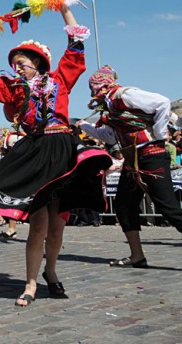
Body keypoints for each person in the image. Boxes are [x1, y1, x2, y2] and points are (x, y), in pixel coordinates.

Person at [0, 5, 112, 307]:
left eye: (21, 63)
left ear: (37, 62)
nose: (16, 68)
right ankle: (30, 283)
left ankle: (51, 272)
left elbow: (76, 48)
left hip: (62, 150)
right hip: (36, 153)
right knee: (38, 223)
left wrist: (64, 10)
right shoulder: (14, 90)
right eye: (14, 64)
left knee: (58, 224)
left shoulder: (60, 80)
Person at [78, 65, 182, 268]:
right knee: (124, 205)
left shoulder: (125, 95)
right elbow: (110, 135)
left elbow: (161, 103)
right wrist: (84, 126)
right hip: (132, 159)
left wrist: (160, 134)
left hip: (152, 155)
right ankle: (137, 256)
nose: (92, 93)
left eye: (94, 87)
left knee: (169, 207)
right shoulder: (109, 107)